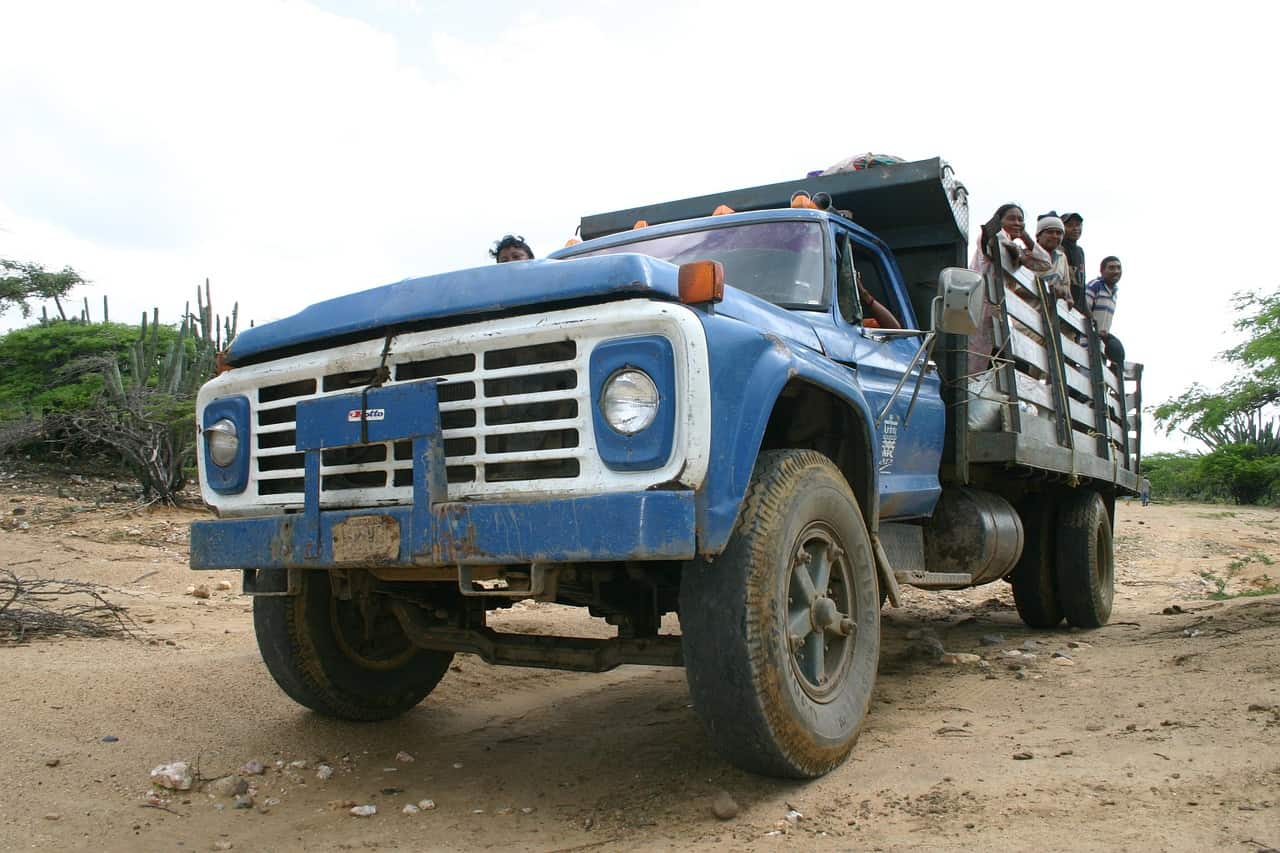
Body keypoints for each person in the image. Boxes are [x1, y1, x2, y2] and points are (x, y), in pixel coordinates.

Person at [969, 203, 1052, 278]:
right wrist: (1019, 256)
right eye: (1011, 219)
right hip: (979, 291)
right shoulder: (991, 236)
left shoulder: (1016, 249)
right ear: (999, 221)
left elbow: (1046, 264)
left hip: (1002, 293)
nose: (1017, 223)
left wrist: (1025, 237)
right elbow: (999, 242)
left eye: (1020, 220)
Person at [1086, 256, 1125, 366]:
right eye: (1111, 268)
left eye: (1118, 268)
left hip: (1100, 346)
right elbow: (1082, 308)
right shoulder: (1095, 286)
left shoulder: (1114, 293)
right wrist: (1094, 328)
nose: (1116, 271)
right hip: (1086, 342)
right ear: (1102, 271)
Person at [1034, 213, 1074, 308]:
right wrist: (1050, 289)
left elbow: (1066, 285)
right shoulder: (1029, 254)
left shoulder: (1062, 257)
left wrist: (1067, 296)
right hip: (1027, 316)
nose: (1055, 236)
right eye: (1050, 232)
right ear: (1038, 236)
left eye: (1059, 233)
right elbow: (1017, 288)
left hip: (1052, 317)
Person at [1060, 212, 1086, 308]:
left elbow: (1082, 285)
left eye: (1078, 225)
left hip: (1077, 310)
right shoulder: (1059, 248)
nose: (1075, 229)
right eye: (1069, 225)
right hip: (1062, 304)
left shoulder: (1080, 252)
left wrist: (1087, 311)